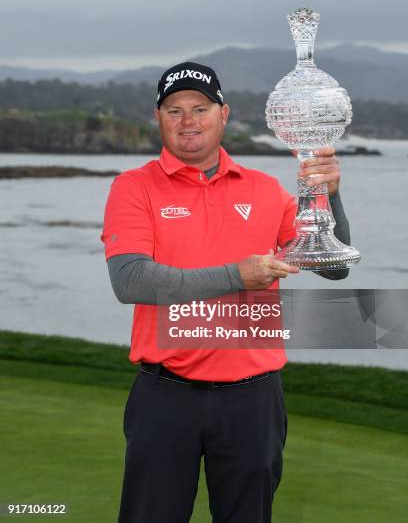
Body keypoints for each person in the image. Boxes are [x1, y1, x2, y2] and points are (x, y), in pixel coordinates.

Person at [100, 61, 352, 523]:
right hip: (165, 395)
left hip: (252, 401)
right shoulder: (133, 188)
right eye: (174, 111)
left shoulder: (264, 189)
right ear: (158, 119)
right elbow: (131, 281)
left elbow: (333, 269)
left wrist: (327, 196)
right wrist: (238, 276)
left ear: (224, 114)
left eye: (200, 108)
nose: (188, 121)